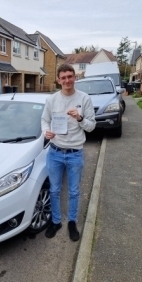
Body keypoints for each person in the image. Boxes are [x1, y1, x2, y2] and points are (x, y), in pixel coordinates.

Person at [41, 63, 96, 241]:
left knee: (73, 191)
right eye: (63, 77)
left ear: (75, 78)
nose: (67, 80)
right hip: (55, 152)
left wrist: (79, 118)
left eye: (70, 76)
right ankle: (56, 221)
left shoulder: (84, 98)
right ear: (58, 80)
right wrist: (46, 132)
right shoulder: (52, 100)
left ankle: (72, 222)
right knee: (55, 190)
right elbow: (44, 120)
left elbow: (91, 126)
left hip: (75, 153)